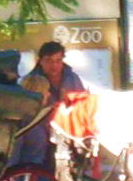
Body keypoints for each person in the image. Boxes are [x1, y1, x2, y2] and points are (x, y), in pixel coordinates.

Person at [16, 41, 87, 173]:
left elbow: (83, 106)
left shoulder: (72, 79)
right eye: (49, 60)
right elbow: (25, 111)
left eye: (58, 60)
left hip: (67, 132)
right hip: (39, 132)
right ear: (40, 61)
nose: (54, 65)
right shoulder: (31, 80)